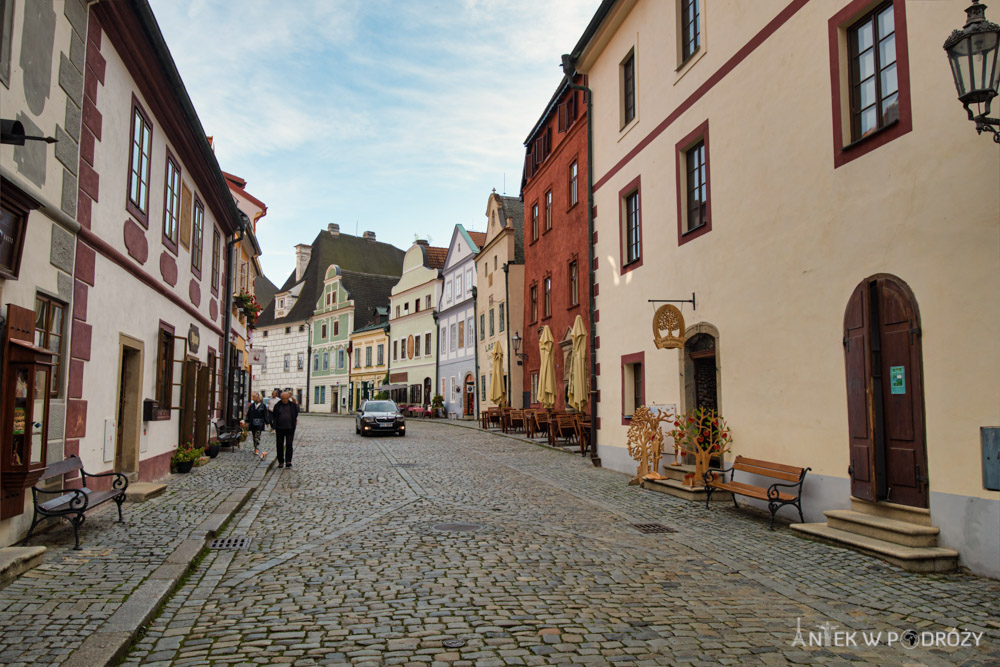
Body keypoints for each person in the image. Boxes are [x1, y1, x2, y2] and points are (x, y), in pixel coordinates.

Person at [271, 391, 299, 468]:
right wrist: (274, 425)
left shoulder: (292, 405)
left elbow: (296, 413)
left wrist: (296, 405)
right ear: (281, 398)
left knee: (289, 445)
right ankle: (281, 461)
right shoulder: (277, 405)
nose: (285, 400)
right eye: (283, 398)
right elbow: (274, 416)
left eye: (286, 398)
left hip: (290, 428)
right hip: (280, 428)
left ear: (288, 398)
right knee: (279, 445)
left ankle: (288, 461)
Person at [245, 392, 268, 461]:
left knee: (257, 435)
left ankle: (257, 448)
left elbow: (265, 414)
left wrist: (267, 422)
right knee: (253, 435)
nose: (253, 398)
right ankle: (255, 447)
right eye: (253, 397)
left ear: (259, 397)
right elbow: (248, 414)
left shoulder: (263, 406)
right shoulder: (252, 406)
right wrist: (247, 421)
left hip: (260, 423)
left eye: (255, 397)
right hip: (252, 422)